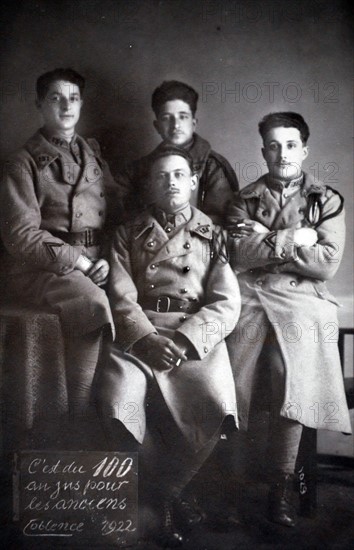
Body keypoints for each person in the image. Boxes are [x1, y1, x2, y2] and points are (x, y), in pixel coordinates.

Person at [97, 146, 241, 546]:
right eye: (162, 176)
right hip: (139, 334)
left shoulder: (213, 234)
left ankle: (166, 496)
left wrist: (187, 338)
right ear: (149, 184)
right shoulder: (128, 232)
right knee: (118, 401)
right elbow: (120, 296)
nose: (171, 182)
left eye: (179, 175)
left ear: (194, 183)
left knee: (214, 400)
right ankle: (151, 501)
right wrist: (145, 339)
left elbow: (227, 302)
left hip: (191, 337)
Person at [226, 112, 351, 527]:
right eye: (274, 146)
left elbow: (327, 264)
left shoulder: (325, 199)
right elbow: (239, 255)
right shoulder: (243, 199)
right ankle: (230, 484)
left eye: (292, 145)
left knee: (290, 373)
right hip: (254, 298)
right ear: (263, 152)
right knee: (230, 374)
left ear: (305, 150)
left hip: (303, 301)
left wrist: (264, 240)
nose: (283, 154)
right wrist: (298, 237)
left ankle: (279, 489)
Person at [0, 68, 117, 448]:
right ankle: (79, 419)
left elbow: (117, 213)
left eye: (73, 97)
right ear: (39, 105)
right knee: (92, 301)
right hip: (40, 267)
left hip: (96, 259)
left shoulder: (93, 155)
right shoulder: (23, 162)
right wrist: (80, 263)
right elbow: (21, 235)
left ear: (81, 104)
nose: (66, 105)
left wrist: (108, 260)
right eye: (55, 97)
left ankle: (116, 419)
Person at [116, 80, 239, 223]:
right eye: (167, 118)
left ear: (193, 123)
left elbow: (222, 220)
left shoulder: (213, 166)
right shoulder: (136, 170)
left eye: (183, 117)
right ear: (157, 126)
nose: (176, 125)